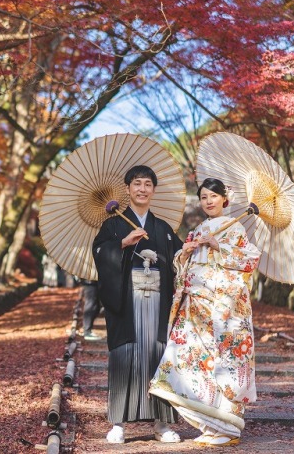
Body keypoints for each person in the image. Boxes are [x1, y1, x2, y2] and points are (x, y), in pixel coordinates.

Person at [148, 178, 261, 447]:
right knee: (195, 359)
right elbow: (184, 270)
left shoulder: (235, 229)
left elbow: (250, 260)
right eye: (203, 197)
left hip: (224, 310)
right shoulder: (196, 230)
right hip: (195, 306)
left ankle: (228, 427)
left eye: (213, 196)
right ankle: (210, 424)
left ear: (225, 199)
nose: (208, 201)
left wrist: (219, 246)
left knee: (226, 360)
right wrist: (183, 255)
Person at [92, 165, 183, 444]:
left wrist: (186, 252)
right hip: (126, 301)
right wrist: (121, 243)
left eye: (147, 184)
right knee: (125, 357)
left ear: (153, 190)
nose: (142, 189)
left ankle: (162, 425)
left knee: (159, 357)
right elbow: (98, 251)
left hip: (158, 302)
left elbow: (179, 258)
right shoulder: (113, 225)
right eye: (137, 183)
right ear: (128, 189)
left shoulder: (164, 228)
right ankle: (118, 424)